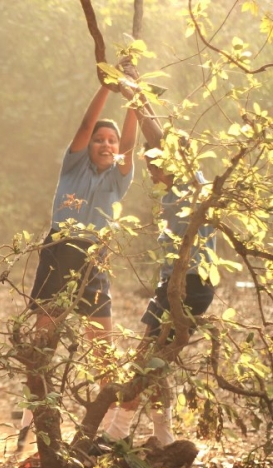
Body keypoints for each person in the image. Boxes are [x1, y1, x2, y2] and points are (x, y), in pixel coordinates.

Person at [19, 76, 138, 451]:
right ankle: (31, 414)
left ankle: (114, 425)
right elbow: (86, 125)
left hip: (94, 258)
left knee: (101, 340)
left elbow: (132, 145)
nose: (105, 144)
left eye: (111, 141)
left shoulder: (119, 179)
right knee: (46, 337)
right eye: (100, 140)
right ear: (88, 146)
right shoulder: (73, 167)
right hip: (61, 249)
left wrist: (135, 98)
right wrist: (108, 87)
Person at [102, 62, 217, 445]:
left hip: (190, 285)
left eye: (154, 166)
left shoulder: (188, 182)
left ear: (169, 162)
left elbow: (159, 139)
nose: (151, 173)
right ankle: (163, 437)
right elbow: (159, 140)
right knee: (157, 362)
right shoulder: (176, 190)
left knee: (143, 359)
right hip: (176, 284)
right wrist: (136, 88)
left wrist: (132, 90)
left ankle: (116, 434)